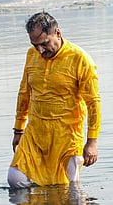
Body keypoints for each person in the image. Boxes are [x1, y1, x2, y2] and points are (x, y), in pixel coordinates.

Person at [7, 11, 101, 188]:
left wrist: (92, 142)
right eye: (35, 45)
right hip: (35, 133)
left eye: (44, 44)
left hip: (67, 135)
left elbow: (93, 103)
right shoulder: (31, 55)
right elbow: (24, 93)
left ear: (57, 33)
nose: (40, 50)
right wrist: (18, 131)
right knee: (15, 179)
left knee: (69, 187)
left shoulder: (80, 59)